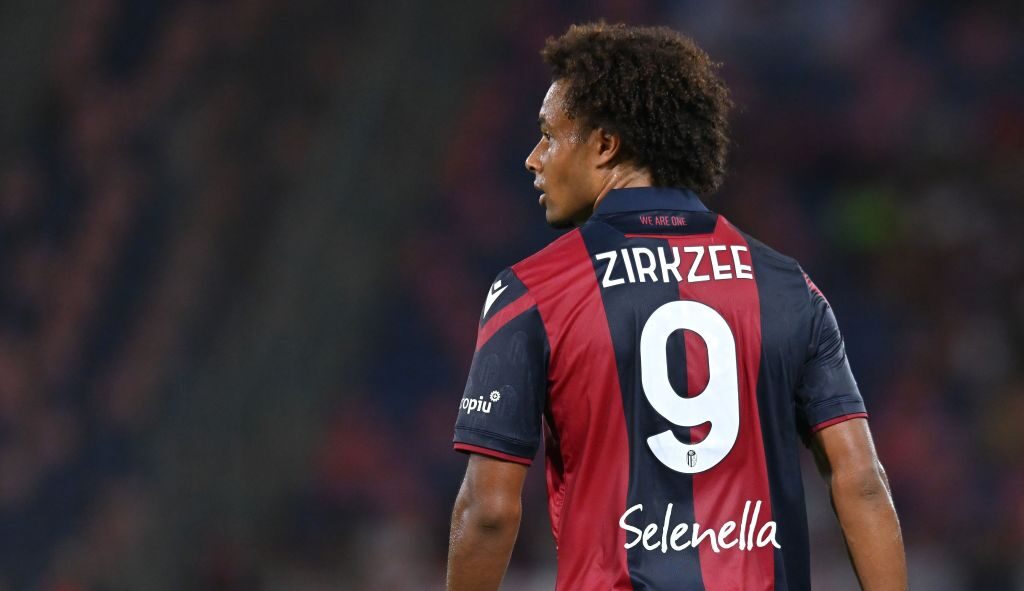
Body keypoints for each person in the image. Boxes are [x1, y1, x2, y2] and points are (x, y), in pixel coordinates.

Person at [447, 22, 906, 591]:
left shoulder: (533, 291)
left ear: (605, 145)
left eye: (548, 135)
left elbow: (489, 511)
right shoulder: (789, 288)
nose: (533, 159)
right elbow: (861, 481)